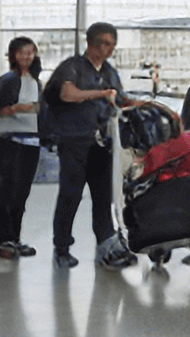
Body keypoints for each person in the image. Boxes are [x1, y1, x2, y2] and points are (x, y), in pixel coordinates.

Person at [48, 21, 132, 269]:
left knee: (103, 196)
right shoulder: (72, 67)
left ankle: (106, 246)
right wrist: (100, 94)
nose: (108, 49)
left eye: (112, 45)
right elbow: (67, 94)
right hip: (74, 142)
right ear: (90, 42)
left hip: (102, 144)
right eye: (104, 43)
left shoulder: (110, 72)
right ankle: (61, 247)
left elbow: (120, 99)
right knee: (70, 195)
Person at [0, 36, 42, 259]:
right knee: (6, 192)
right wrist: (15, 108)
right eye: (21, 53)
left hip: (31, 140)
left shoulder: (37, 82)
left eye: (30, 52)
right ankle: (3, 240)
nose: (26, 57)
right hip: (8, 141)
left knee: (22, 193)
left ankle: (15, 237)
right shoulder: (7, 80)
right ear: (13, 55)